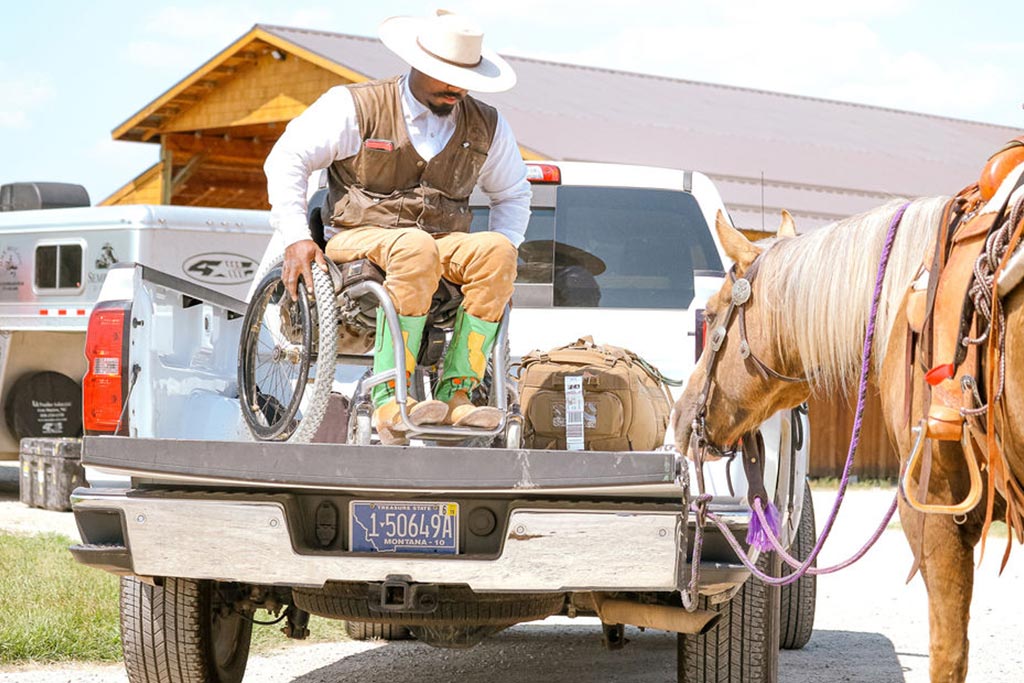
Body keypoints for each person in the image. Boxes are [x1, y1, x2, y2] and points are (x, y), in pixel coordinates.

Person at [264, 10, 531, 443]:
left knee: (498, 252)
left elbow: (514, 194)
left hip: (438, 242)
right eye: (445, 76)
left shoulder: (487, 125)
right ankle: (391, 397)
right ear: (419, 63)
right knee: (415, 247)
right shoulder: (355, 105)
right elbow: (288, 158)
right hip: (358, 236)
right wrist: (295, 235)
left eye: (464, 79)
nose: (456, 89)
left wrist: (505, 250)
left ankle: (457, 394)